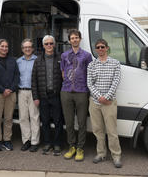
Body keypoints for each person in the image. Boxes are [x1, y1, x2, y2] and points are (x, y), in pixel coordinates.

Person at [87, 39, 122, 168]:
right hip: (95, 102)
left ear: (107, 48)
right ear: (96, 49)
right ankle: (101, 153)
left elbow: (116, 81)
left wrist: (106, 97)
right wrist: (99, 97)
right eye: (98, 47)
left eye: (102, 47)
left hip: (109, 102)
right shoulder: (91, 65)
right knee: (98, 130)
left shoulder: (115, 63)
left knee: (112, 131)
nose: (100, 49)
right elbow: (89, 83)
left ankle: (116, 156)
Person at [60, 29, 92, 162]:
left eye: (76, 37)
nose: (74, 40)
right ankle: (71, 146)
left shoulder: (86, 55)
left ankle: (80, 148)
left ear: (80, 39)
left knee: (81, 122)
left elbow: (90, 73)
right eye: (72, 38)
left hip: (81, 92)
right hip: (66, 91)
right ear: (69, 40)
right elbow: (63, 72)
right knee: (68, 122)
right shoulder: (64, 55)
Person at [32, 35, 63, 156]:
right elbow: (33, 80)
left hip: (56, 95)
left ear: (54, 45)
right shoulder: (37, 60)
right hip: (43, 96)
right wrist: (35, 97)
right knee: (44, 121)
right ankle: (47, 143)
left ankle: (57, 144)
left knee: (58, 121)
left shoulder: (61, 58)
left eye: (51, 43)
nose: (49, 46)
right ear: (43, 46)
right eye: (47, 44)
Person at [0, 39, 19, 151]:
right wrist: (2, 90)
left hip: (11, 93)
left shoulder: (13, 60)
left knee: (8, 118)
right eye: (2, 46)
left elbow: (17, 76)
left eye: (6, 46)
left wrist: (10, 89)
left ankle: (7, 140)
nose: (4, 48)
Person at [17, 39, 40, 152]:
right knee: (23, 117)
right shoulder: (18, 61)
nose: (27, 49)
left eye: (29, 47)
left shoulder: (37, 60)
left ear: (32, 48)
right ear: (22, 49)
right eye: (25, 47)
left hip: (33, 92)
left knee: (34, 117)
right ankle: (26, 141)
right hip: (21, 91)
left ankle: (35, 142)